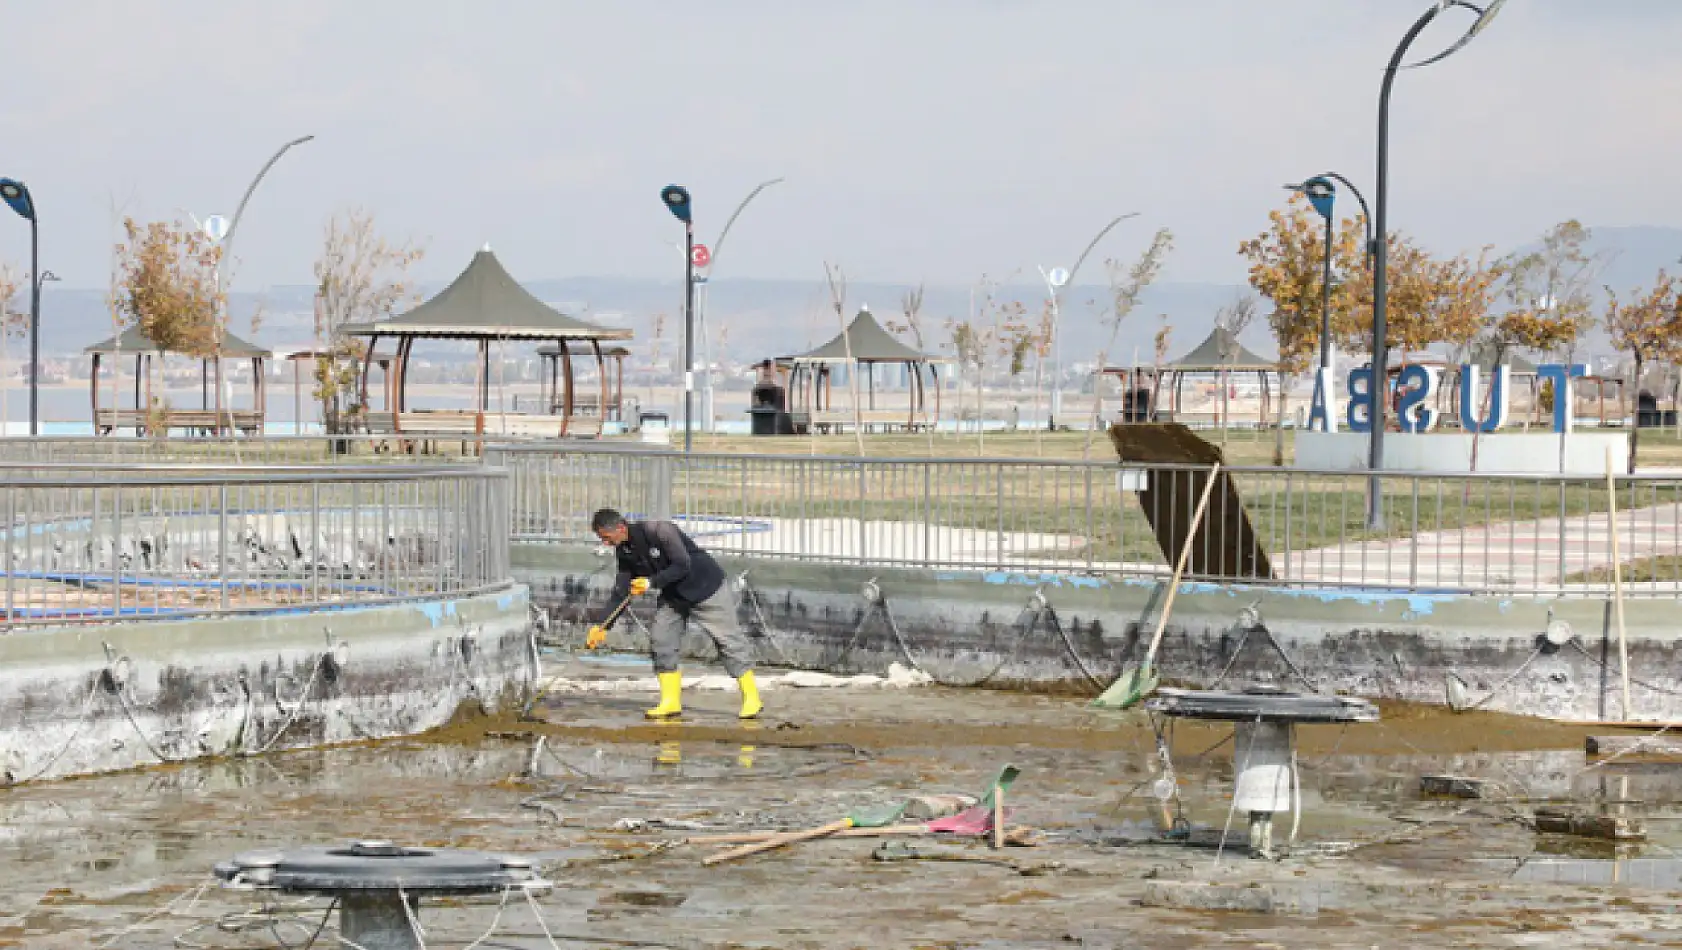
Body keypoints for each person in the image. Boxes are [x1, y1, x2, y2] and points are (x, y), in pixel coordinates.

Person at [586, 508, 761, 720]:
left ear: (620, 528)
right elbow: (621, 591)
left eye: (606, 537)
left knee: (728, 641)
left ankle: (752, 698)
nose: (605, 543)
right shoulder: (624, 551)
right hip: (673, 595)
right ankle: (670, 701)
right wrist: (603, 626)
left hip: (706, 589)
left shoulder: (660, 531)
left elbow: (682, 564)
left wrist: (651, 582)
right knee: (662, 640)